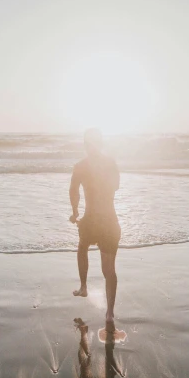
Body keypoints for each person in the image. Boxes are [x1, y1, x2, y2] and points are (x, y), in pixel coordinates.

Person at [69, 129, 121, 330]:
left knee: (82, 247)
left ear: (85, 144)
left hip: (90, 218)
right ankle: (109, 313)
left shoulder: (80, 166)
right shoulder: (111, 163)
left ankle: (83, 287)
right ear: (101, 143)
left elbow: (73, 191)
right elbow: (116, 186)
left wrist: (75, 212)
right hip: (109, 219)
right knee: (109, 269)